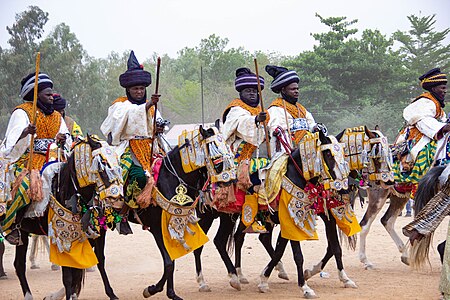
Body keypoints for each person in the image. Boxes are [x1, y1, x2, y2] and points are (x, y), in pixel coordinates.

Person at [0, 72, 71, 245]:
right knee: (26, 187)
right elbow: (10, 144)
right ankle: (9, 225)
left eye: (52, 94)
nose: (52, 97)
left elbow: (66, 137)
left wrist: (62, 139)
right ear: (35, 94)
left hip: (53, 161)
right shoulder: (22, 112)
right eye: (47, 94)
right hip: (27, 161)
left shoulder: (56, 116)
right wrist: (25, 133)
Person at [101, 51, 166, 231]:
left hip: (151, 147)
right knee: (131, 176)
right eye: (135, 89)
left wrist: (159, 127)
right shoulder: (120, 105)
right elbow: (126, 118)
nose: (139, 92)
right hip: (128, 148)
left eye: (141, 89)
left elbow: (157, 123)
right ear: (128, 89)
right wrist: (147, 106)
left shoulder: (151, 105)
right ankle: (122, 212)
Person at [220, 67, 268, 227]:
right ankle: (251, 217)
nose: (253, 94)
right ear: (240, 92)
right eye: (248, 91)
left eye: (255, 91)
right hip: (240, 156)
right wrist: (255, 121)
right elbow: (242, 125)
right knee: (253, 177)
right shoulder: (236, 109)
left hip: (262, 155)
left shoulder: (262, 110)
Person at [394, 68, 448, 185]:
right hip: (420, 136)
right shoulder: (424, 102)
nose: (445, 91)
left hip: (432, 133)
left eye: (445, 88)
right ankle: (421, 184)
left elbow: (442, 120)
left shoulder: (436, 103)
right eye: (442, 88)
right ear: (433, 88)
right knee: (427, 154)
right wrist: (444, 128)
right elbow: (424, 122)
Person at [265, 65, 321, 159]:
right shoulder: (275, 109)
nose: (296, 91)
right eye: (293, 89)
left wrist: (315, 128)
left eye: (297, 89)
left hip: (308, 150)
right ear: (283, 90)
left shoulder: (301, 109)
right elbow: (277, 132)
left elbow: (311, 124)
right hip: (287, 153)